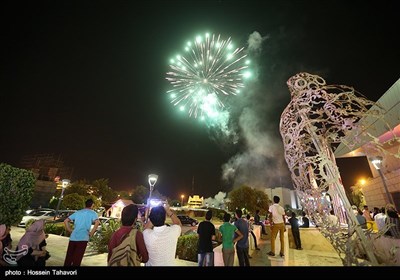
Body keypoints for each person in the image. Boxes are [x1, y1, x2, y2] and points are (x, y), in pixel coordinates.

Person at [64, 198, 100, 266]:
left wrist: (69, 230)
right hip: (83, 238)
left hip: (73, 237)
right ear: (92, 205)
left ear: (85, 204)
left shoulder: (78, 212)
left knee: (69, 257)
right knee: (77, 259)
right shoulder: (93, 213)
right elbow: (97, 222)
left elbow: (66, 221)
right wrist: (91, 233)